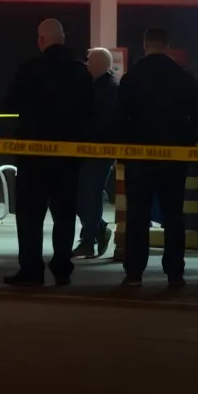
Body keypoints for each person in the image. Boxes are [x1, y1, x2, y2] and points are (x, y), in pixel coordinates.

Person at [114, 27, 198, 288]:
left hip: (139, 158)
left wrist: (128, 146)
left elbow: (119, 118)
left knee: (137, 216)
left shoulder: (132, 78)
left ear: (145, 44)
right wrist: (185, 142)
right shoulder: (183, 78)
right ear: (167, 45)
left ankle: (134, 271)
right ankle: (175, 271)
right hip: (174, 159)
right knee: (173, 216)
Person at [2, 19, 92, 287]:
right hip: (68, 158)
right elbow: (90, 110)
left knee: (30, 216)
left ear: (41, 40)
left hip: (33, 158)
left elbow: (11, 102)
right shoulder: (79, 71)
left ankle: (31, 268)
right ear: (62, 39)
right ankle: (62, 268)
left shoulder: (30, 69)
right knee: (64, 215)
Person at [72, 46, 119, 259]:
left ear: (101, 63)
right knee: (83, 195)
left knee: (89, 194)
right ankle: (96, 230)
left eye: (90, 60)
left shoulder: (110, 88)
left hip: (99, 150)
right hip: (86, 149)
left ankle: (89, 240)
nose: (86, 63)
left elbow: (104, 122)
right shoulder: (94, 87)